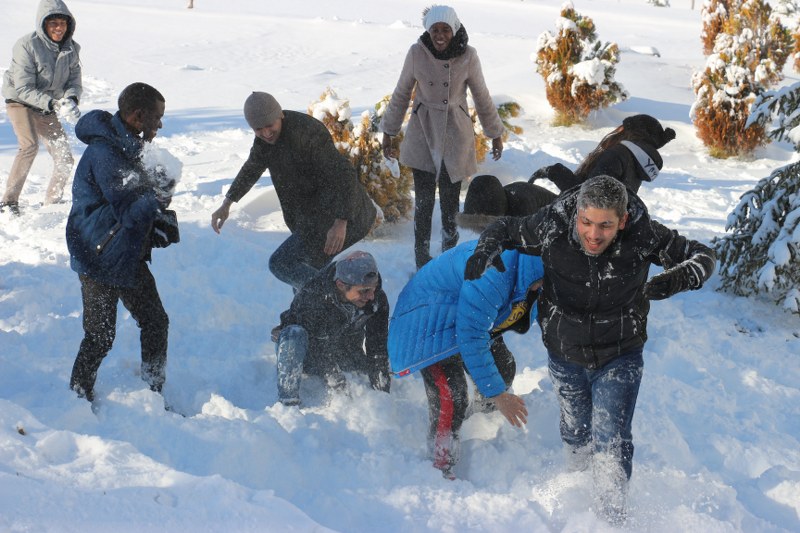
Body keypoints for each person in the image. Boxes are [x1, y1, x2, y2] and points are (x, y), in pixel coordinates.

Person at [464, 175, 716, 524]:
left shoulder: (644, 235)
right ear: (576, 215)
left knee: (611, 438)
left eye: (605, 225)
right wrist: (485, 248)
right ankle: (577, 489)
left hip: (620, 352)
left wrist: (679, 278)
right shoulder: (553, 223)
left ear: (622, 220)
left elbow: (703, 256)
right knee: (575, 431)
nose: (593, 235)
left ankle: (610, 518)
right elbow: (506, 228)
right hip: (564, 352)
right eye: (586, 222)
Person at [388, 239, 543, 478]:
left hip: (465, 318)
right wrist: (498, 394)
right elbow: (470, 335)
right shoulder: (495, 272)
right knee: (452, 395)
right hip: (426, 327)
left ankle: (481, 423)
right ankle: (441, 463)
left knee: (503, 369)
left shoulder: (537, 273)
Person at [66, 82, 179, 404]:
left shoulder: (130, 145)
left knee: (156, 322)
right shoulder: (106, 153)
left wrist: (161, 202)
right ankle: (77, 398)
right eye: (157, 117)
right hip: (98, 255)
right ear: (138, 115)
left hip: (124, 254)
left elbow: (143, 199)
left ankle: (153, 391)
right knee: (100, 336)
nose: (160, 124)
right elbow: (130, 209)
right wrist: (158, 192)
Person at [380, 5, 505, 270]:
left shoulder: (468, 56)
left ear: (454, 29)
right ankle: (421, 263)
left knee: (450, 207)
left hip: (455, 135)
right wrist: (388, 131)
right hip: (422, 133)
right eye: (435, 29)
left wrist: (494, 133)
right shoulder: (416, 53)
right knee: (423, 205)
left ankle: (448, 262)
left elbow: (481, 95)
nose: (439, 35)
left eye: (445, 29)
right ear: (428, 30)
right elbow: (401, 92)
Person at [211, 92, 376, 292]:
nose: (265, 133)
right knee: (303, 273)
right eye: (258, 129)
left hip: (342, 215)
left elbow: (343, 175)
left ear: (279, 115)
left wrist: (341, 221)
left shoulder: (308, 134)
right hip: (313, 219)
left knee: (283, 264)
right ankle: (318, 315)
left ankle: (337, 298)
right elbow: (252, 167)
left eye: (269, 126)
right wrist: (227, 203)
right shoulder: (265, 141)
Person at [275, 250, 390, 406]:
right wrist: (334, 377)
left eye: (373, 288)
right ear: (341, 285)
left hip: (343, 349)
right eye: (364, 291)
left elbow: (377, 346)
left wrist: (382, 391)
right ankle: (288, 402)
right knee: (294, 335)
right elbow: (316, 346)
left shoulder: (376, 299)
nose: (371, 296)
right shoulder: (313, 295)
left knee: (365, 369)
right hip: (307, 351)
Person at [1, 0, 82, 215]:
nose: (58, 28)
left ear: (69, 24)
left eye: (62, 23)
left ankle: (52, 203)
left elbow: (74, 81)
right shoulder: (26, 45)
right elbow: (23, 87)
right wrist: (53, 103)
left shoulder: (72, 49)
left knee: (64, 156)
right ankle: (8, 202)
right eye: (53, 23)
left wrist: (71, 99)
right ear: (43, 25)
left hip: (46, 104)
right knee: (29, 146)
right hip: (19, 100)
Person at [531, 114, 677, 194]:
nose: (618, 130)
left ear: (631, 132)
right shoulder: (637, 162)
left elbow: (589, 195)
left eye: (623, 127)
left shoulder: (616, 155)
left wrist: (557, 172)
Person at [456, 174, 556, 234]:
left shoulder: (522, 208)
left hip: (556, 215)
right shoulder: (499, 197)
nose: (482, 230)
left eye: (484, 225)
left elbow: (529, 241)